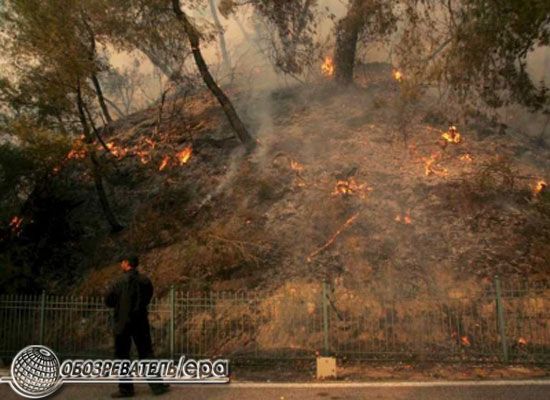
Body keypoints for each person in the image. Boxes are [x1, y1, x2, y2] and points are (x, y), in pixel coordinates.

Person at [105, 255, 169, 398]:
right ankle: (157, 386)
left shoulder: (118, 282)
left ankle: (126, 389)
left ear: (126, 263)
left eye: (122, 261)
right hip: (140, 321)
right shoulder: (145, 281)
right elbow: (148, 296)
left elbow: (108, 300)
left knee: (123, 356)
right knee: (146, 353)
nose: (121, 264)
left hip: (122, 323)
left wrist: (119, 305)